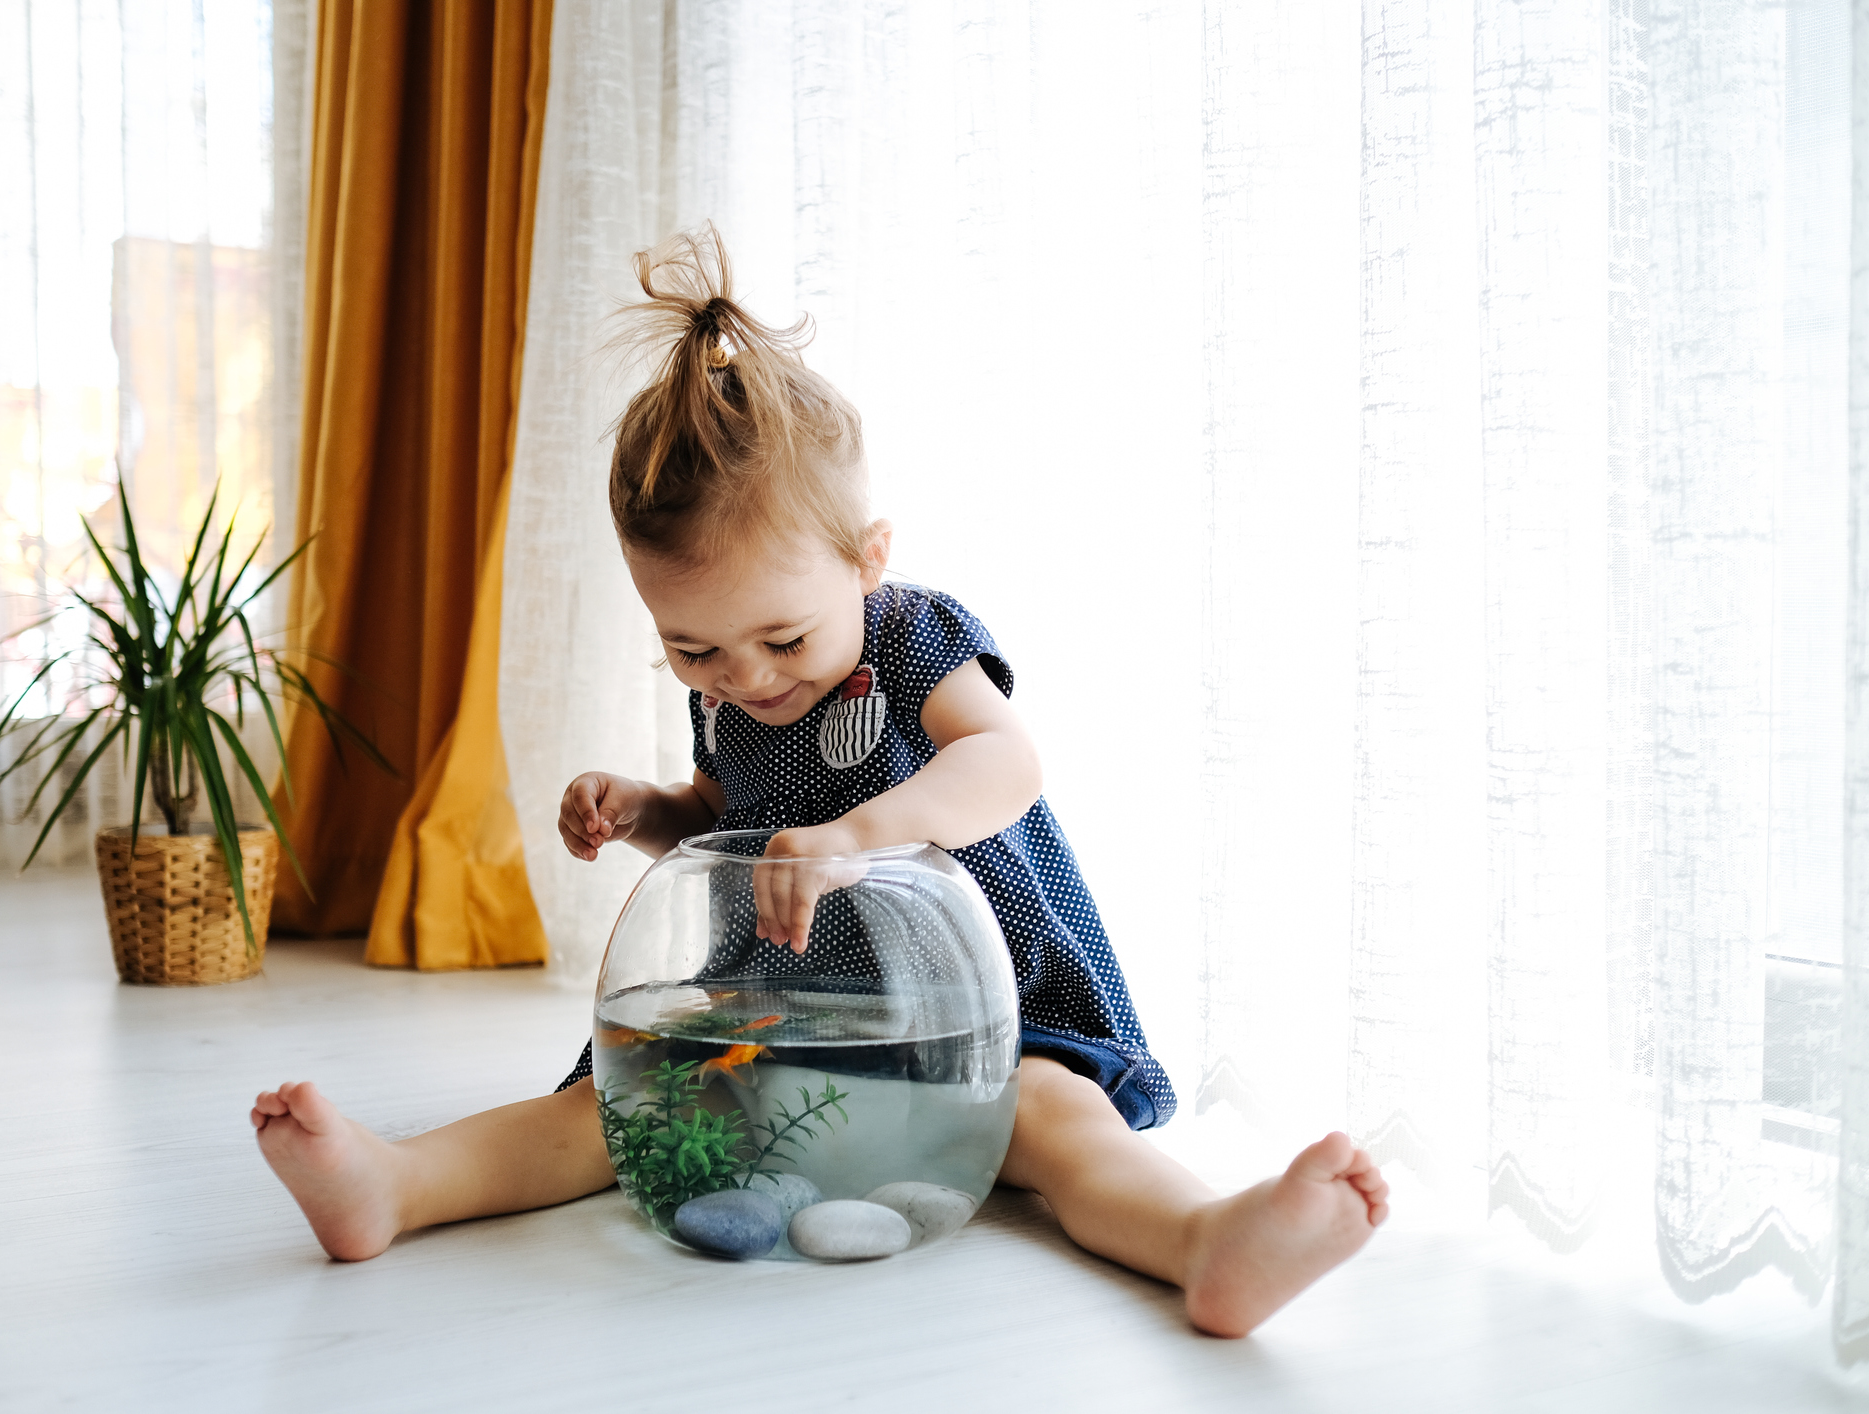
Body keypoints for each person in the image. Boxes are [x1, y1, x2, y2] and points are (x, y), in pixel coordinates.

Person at [250, 229, 1387, 1337]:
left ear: (867, 559)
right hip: (777, 1013)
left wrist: (859, 834)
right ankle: (398, 1185)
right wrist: (643, 810)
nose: (744, 679)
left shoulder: (912, 639)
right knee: (605, 1112)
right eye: (693, 650)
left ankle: (1205, 1242)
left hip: (980, 1012)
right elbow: (720, 824)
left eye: (782, 640)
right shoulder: (733, 694)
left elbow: (1006, 763)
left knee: (1056, 1127)